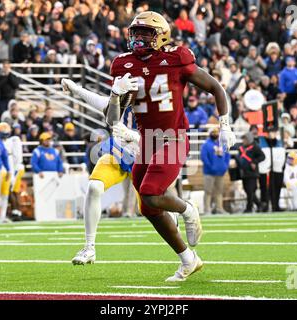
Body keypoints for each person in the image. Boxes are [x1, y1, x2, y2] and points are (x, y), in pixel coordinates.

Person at [105, 12, 236, 282]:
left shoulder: (176, 58)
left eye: (146, 33)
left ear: (161, 35)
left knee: (152, 193)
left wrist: (224, 124)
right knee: (147, 207)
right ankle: (188, 259)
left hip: (173, 137)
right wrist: (116, 95)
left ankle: (187, 209)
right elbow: (111, 118)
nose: (139, 38)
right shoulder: (122, 64)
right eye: (136, 32)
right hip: (147, 140)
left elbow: (216, 88)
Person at [61, 78, 147, 264]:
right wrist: (75, 87)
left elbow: (164, 135)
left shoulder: (153, 107)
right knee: (94, 187)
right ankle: (89, 247)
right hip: (117, 154)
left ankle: (184, 238)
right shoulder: (115, 103)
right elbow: (93, 98)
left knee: (154, 208)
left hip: (145, 158)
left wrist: (133, 136)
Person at [200, 127, 230, 214]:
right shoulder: (206, 144)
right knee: (208, 191)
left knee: (219, 192)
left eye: (216, 132)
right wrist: (211, 167)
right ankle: (207, 209)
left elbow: (227, 156)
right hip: (209, 172)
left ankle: (219, 209)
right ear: (210, 133)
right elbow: (204, 158)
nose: (215, 134)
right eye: (213, 132)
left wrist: (225, 166)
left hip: (220, 172)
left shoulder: (223, 144)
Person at [0, 122, 21, 223]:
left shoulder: (13, 141)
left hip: (8, 168)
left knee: (6, 193)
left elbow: (17, 158)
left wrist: (15, 171)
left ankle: (3, 215)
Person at [236, 132, 266, 213]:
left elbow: (262, 156)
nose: (243, 140)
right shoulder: (241, 147)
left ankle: (249, 208)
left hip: (252, 173)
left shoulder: (255, 147)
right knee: (248, 190)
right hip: (244, 172)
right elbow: (239, 158)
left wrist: (254, 162)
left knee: (250, 190)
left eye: (245, 139)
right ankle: (259, 205)